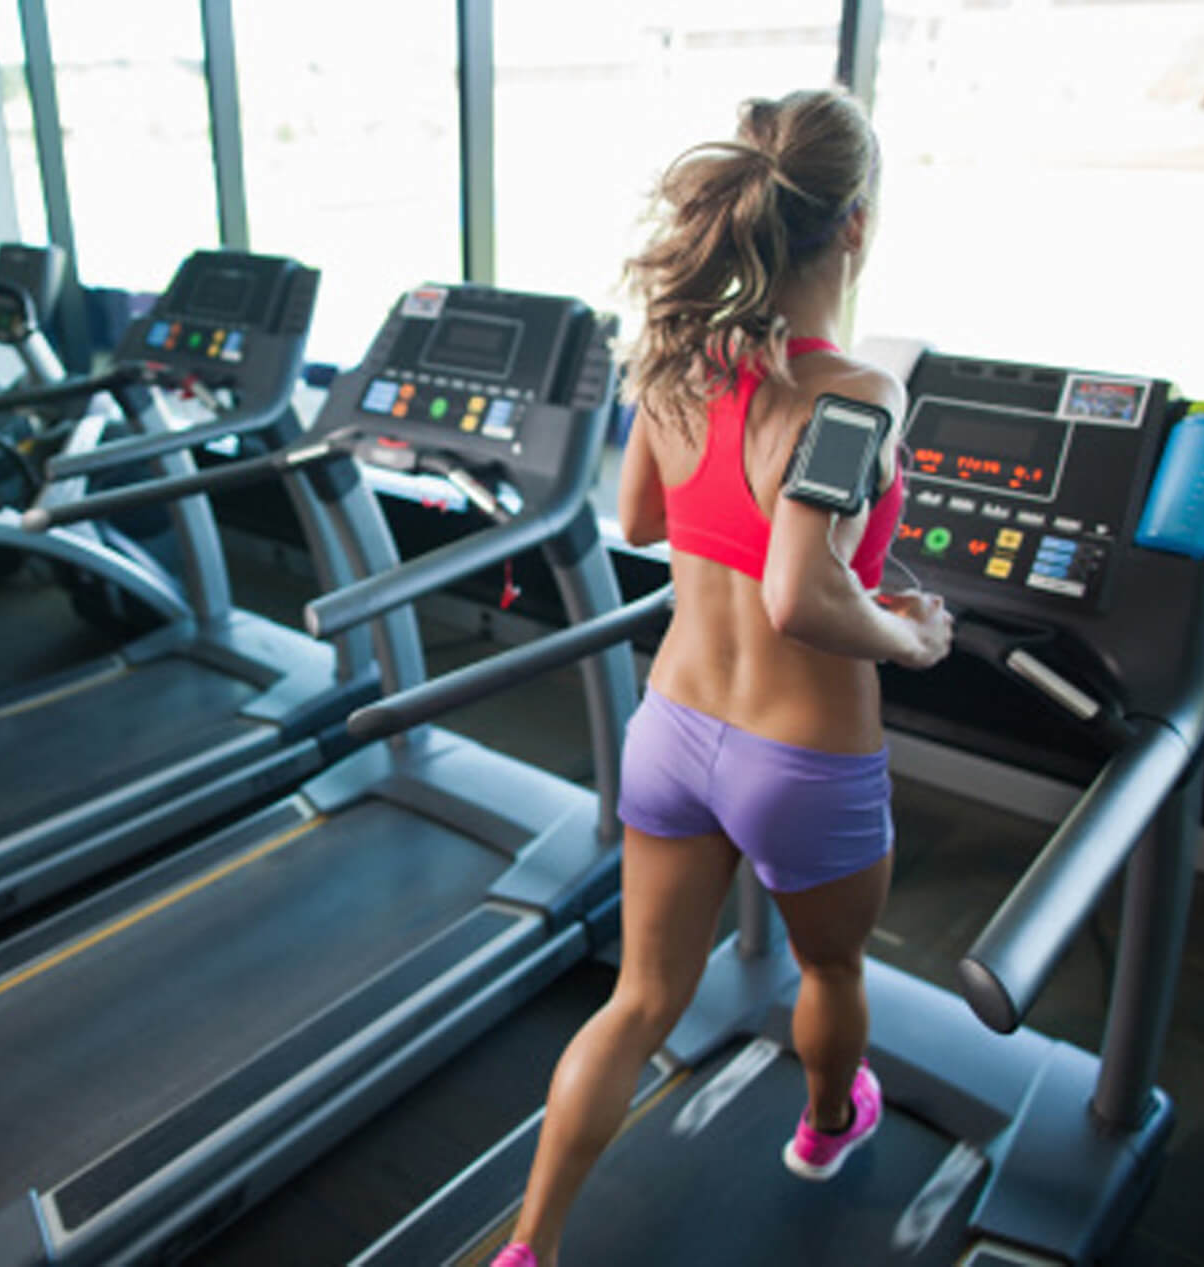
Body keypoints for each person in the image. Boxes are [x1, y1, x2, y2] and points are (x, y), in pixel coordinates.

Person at [489, 88, 955, 1267]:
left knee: (637, 1000)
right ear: (851, 225)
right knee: (832, 965)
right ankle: (822, 1125)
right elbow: (803, 591)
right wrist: (908, 636)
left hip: (675, 725)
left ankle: (527, 1248)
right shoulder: (858, 392)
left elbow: (637, 516)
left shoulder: (679, 359)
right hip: (802, 754)